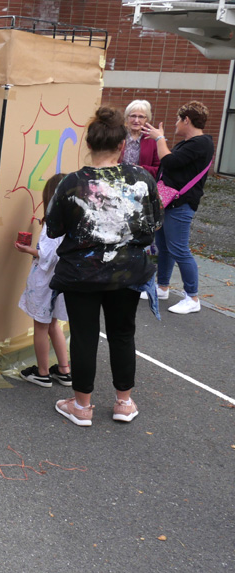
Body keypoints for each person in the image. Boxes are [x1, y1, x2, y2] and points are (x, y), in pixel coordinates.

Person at [45, 107, 161, 426]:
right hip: (128, 270)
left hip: (82, 273)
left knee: (84, 335)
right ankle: (123, 402)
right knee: (123, 333)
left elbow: (53, 228)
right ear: (122, 145)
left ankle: (82, 406)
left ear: (89, 144)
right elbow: (154, 224)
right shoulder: (142, 178)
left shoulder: (71, 183)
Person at [142, 101, 214, 315]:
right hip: (171, 202)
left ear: (187, 120)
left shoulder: (200, 144)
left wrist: (159, 138)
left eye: (177, 119)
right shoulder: (190, 143)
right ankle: (162, 287)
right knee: (164, 246)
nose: (175, 124)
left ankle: (192, 297)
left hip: (181, 204)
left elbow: (170, 161)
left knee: (180, 250)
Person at [13, 173, 71, 388]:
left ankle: (43, 372)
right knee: (54, 324)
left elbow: (47, 255)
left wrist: (28, 249)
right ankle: (64, 371)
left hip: (45, 282)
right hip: (62, 281)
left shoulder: (53, 223)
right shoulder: (72, 220)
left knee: (40, 326)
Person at [121, 99, 160, 178]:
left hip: (141, 183)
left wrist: (143, 169)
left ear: (147, 120)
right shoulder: (118, 136)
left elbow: (159, 168)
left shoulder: (152, 140)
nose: (136, 120)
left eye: (141, 117)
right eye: (133, 116)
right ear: (127, 117)